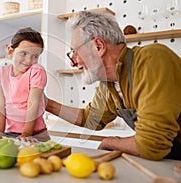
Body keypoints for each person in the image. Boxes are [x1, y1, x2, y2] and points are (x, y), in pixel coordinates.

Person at [45, 11, 181, 160]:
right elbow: (90, 119)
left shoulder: (153, 59)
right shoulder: (109, 84)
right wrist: (47, 104)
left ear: (98, 46)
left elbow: (151, 143)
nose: (72, 61)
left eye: (74, 52)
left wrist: (111, 142)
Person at [0, 27, 50, 142]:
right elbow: (0, 103)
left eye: (35, 56)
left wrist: (27, 133)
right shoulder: (2, 72)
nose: (28, 60)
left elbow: (33, 102)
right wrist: (0, 131)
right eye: (23, 53)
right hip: (10, 133)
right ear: (10, 51)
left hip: (36, 135)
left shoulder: (37, 70)